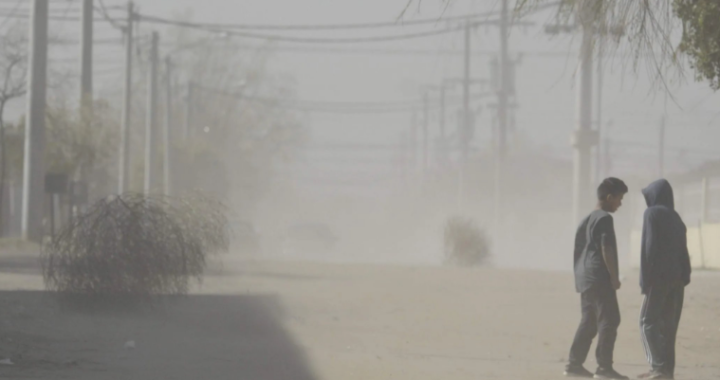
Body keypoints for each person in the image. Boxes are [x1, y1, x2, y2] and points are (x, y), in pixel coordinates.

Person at [565, 177, 629, 379]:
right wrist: (614, 277)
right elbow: (606, 248)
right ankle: (604, 369)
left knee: (590, 321)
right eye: (619, 198)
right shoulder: (604, 219)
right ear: (609, 197)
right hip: (599, 277)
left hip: (584, 277)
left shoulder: (586, 219)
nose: (620, 203)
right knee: (610, 319)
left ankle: (574, 365)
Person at [638, 179, 691, 380]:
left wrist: (645, 280)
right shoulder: (676, 217)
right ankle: (666, 372)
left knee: (646, 322)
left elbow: (649, 248)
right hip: (677, 280)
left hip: (658, 279)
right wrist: (684, 278)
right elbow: (684, 252)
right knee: (668, 329)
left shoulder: (651, 213)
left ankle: (658, 368)